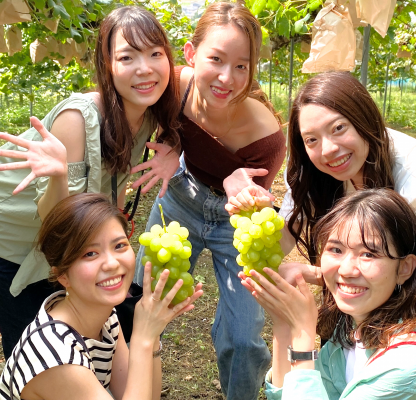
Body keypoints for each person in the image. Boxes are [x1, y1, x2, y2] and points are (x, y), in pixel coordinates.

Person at [226, 71, 416, 382]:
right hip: (360, 313)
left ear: (362, 117)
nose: (328, 149)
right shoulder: (315, 173)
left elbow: (388, 272)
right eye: (311, 139)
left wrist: (308, 279)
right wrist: (252, 209)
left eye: (338, 129)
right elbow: (282, 239)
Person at [0, 6, 181, 358]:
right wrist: (60, 174)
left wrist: (174, 148)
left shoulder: (150, 111)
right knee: (36, 344)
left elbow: (212, 82)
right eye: (127, 56)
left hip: (63, 238)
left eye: (155, 54)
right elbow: (57, 220)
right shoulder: (77, 119)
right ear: (108, 66)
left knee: (89, 329)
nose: (145, 68)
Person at [132, 3, 286, 399]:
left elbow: (252, 208)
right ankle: (128, 384)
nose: (226, 77)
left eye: (241, 66)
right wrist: (169, 146)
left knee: (243, 339)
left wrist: (242, 190)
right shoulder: (172, 87)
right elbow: (149, 119)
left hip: (232, 220)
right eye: (215, 59)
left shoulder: (264, 134)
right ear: (189, 54)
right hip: (179, 197)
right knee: (138, 300)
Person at [239, 189, 416, 399]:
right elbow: (288, 394)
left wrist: (303, 335)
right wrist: (284, 325)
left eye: (369, 254)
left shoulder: (409, 366)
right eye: (336, 249)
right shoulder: (352, 334)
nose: (346, 270)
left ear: (404, 268)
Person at [0, 193, 203, 400]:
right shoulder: (56, 356)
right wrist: (142, 338)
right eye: (90, 254)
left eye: (119, 245)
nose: (112, 263)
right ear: (62, 275)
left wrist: (153, 335)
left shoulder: (103, 315)